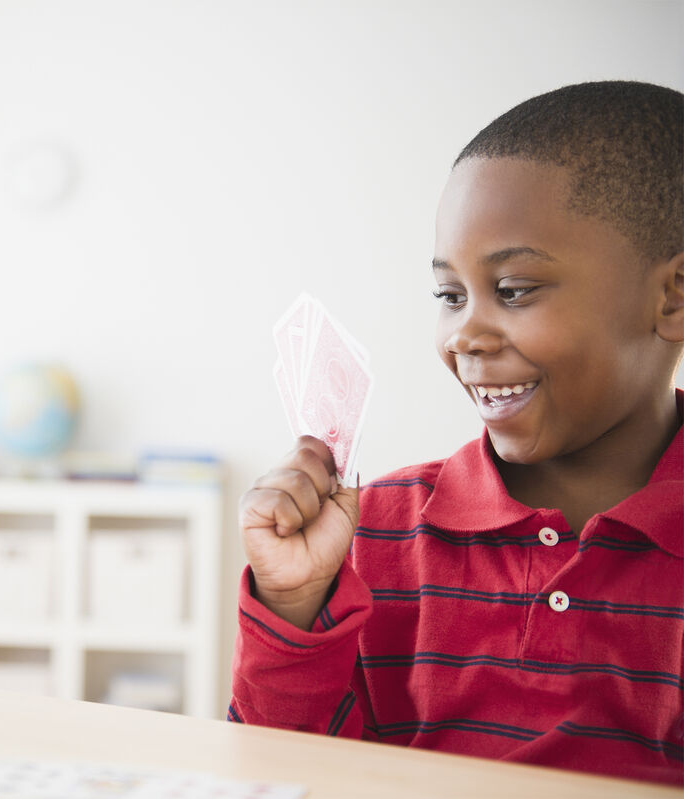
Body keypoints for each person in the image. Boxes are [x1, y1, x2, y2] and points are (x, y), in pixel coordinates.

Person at [231, 80, 683, 786]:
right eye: (449, 295)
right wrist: (294, 606)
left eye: (513, 290)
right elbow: (276, 774)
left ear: (672, 297)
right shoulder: (373, 531)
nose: (465, 333)